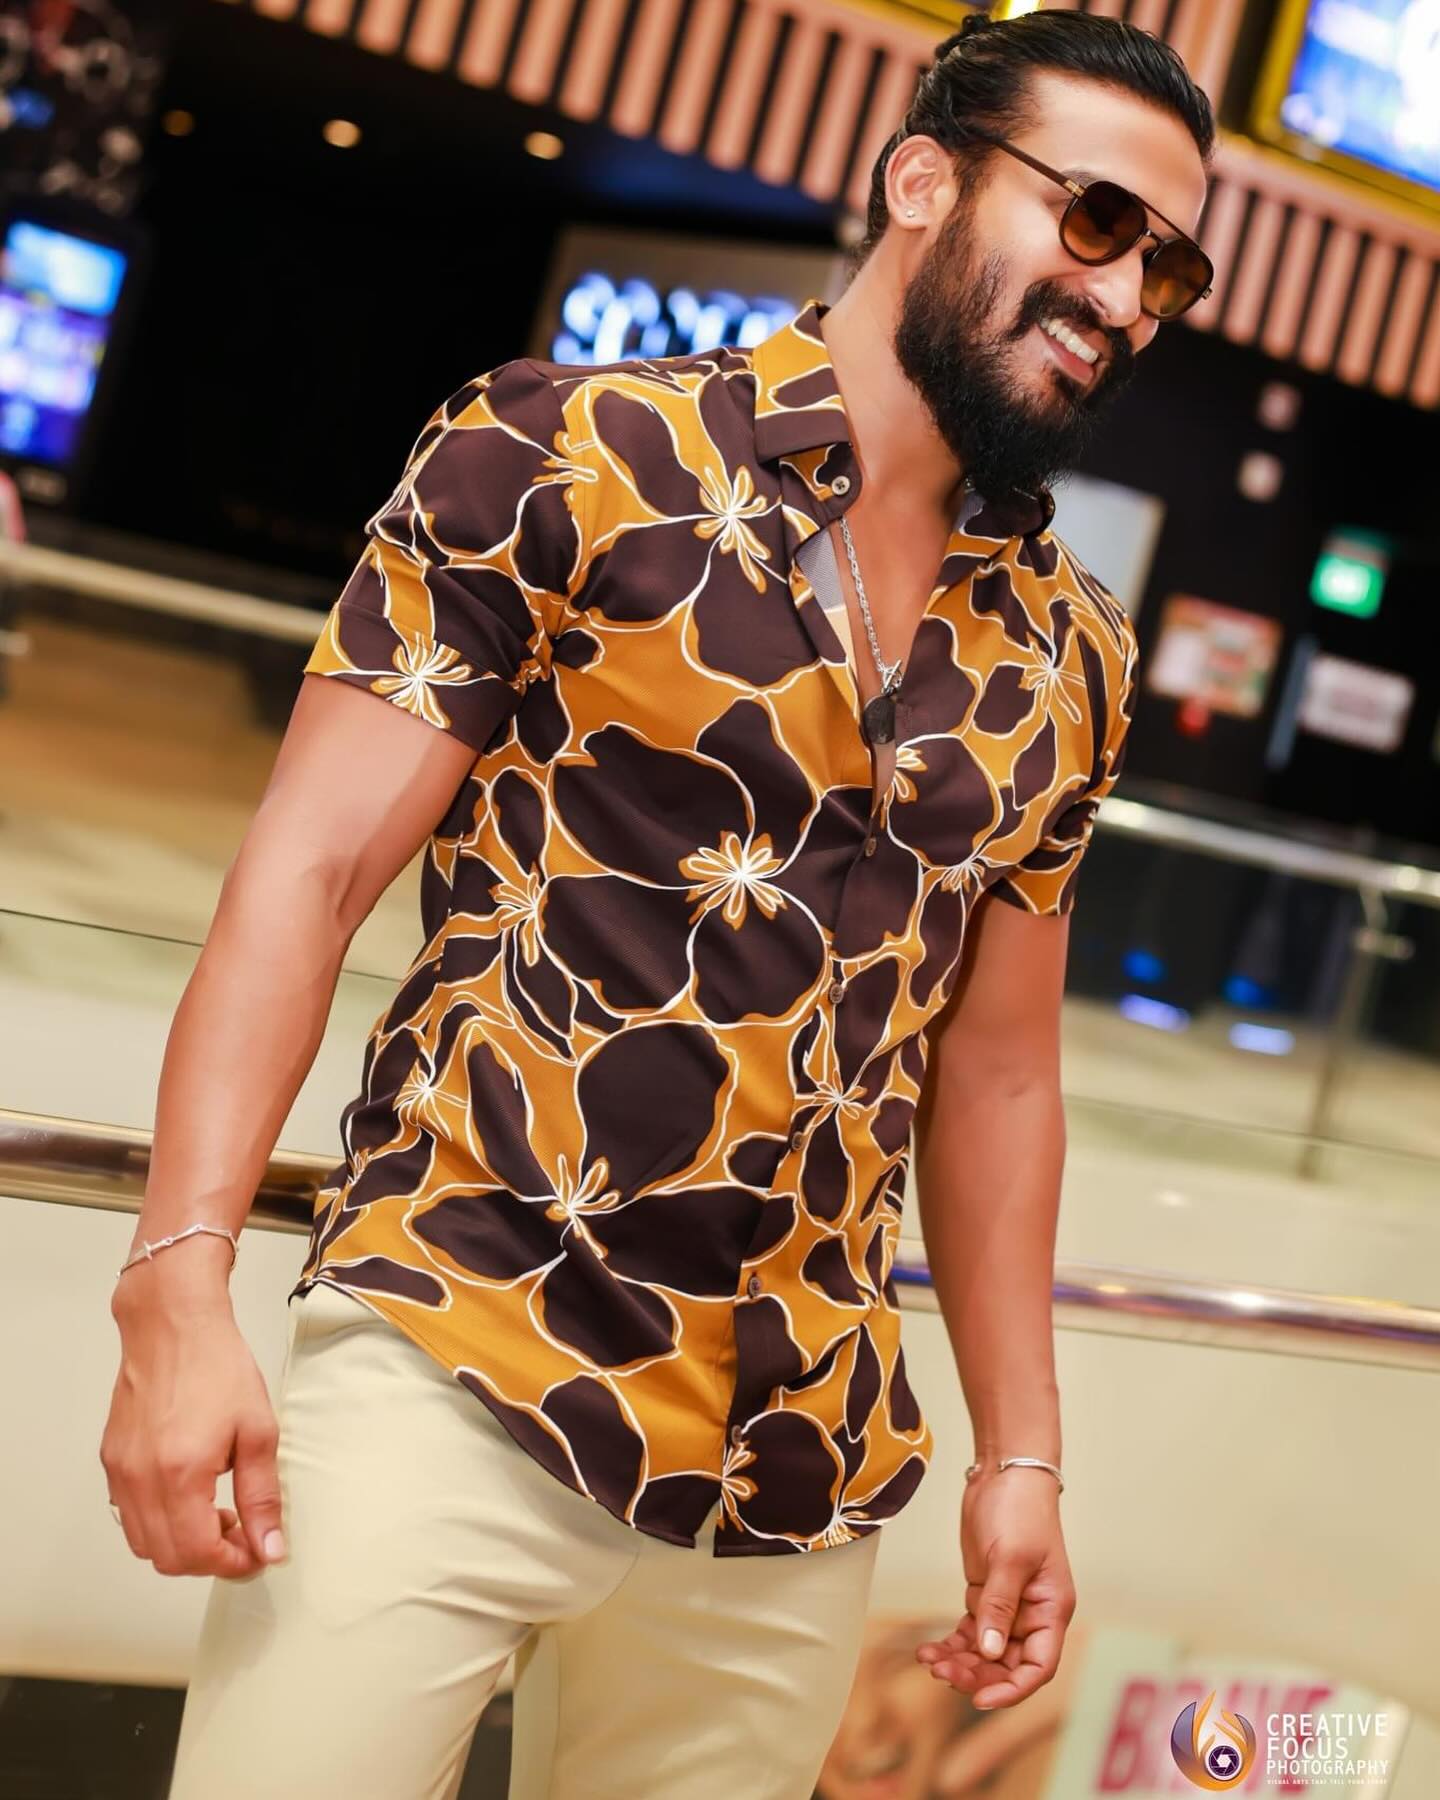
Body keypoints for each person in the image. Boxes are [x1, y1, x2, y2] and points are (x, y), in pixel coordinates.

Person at [100, 12, 1215, 1799]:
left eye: (1170, 264)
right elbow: (305, 877)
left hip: (795, 1478)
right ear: (920, 182)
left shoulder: (1070, 650)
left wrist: (1024, 1453)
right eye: (1095, 220)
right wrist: (178, 1284)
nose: (1127, 294)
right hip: (455, 1354)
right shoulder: (566, 452)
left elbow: (1000, 1072)